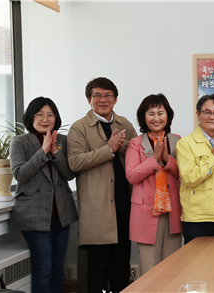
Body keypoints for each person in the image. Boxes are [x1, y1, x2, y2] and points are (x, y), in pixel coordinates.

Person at [68, 77, 138, 293]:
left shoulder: (124, 124)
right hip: (97, 207)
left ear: (115, 99)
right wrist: (108, 150)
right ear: (89, 99)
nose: (103, 99)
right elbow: (75, 162)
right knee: (98, 267)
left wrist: (122, 146)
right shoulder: (79, 127)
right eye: (97, 95)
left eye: (108, 95)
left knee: (121, 264)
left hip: (124, 204)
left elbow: (139, 156)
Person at [10, 97, 77, 293]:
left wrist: (55, 153)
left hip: (61, 213)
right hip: (34, 214)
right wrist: (43, 151)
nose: (45, 119)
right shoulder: (19, 142)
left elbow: (69, 174)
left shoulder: (62, 140)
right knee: (44, 269)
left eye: (50, 114)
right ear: (31, 117)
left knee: (58, 269)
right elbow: (19, 174)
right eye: (39, 114)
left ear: (56, 118)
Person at [125, 94, 182, 275]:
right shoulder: (135, 144)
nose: (156, 118)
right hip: (146, 211)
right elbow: (132, 176)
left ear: (168, 115)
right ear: (144, 117)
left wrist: (166, 159)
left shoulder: (177, 140)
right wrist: (154, 159)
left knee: (172, 266)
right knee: (150, 267)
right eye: (151, 113)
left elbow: (184, 173)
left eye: (160, 113)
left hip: (173, 209)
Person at [176, 94, 214, 243]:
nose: (212, 117)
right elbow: (188, 177)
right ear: (198, 114)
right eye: (207, 112)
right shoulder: (185, 144)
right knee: (197, 265)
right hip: (197, 219)